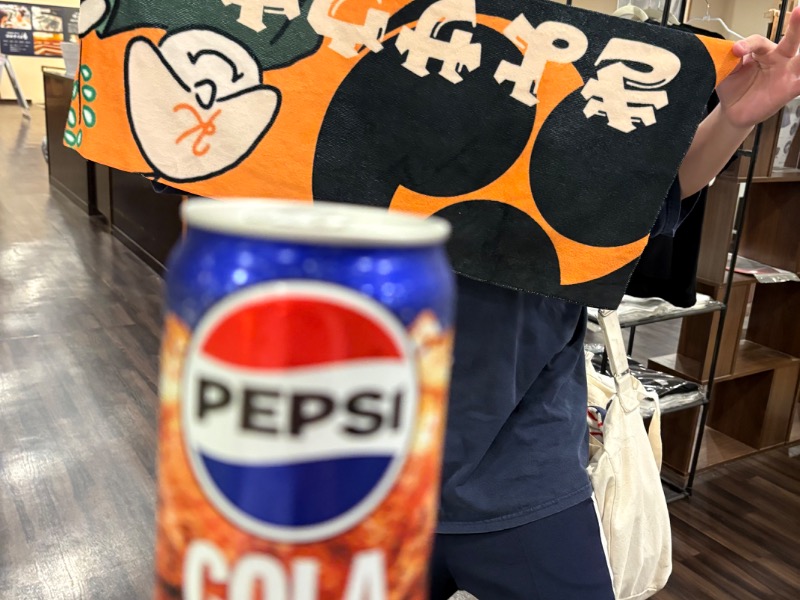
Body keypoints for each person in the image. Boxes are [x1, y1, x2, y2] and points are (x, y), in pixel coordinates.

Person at [429, 8, 800, 600]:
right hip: (350, 450)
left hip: (524, 449)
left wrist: (733, 119)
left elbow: (644, 198)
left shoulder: (553, 69)